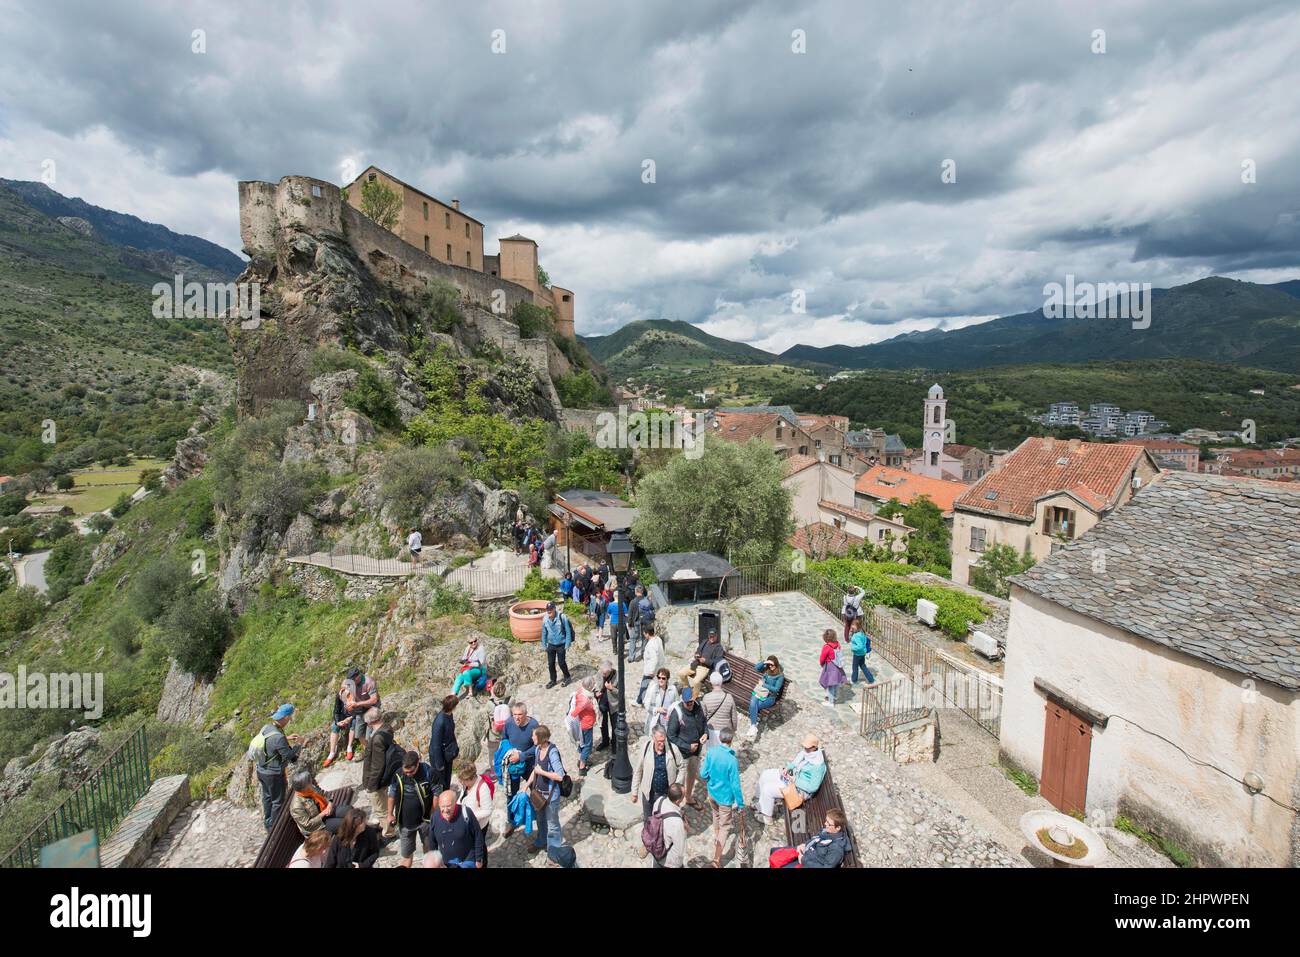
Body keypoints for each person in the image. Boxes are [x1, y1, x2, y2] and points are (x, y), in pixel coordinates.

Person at [698, 727, 745, 868]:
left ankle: (716, 837)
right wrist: (741, 804)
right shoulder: (732, 760)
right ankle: (717, 859)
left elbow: (702, 774)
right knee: (725, 827)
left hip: (712, 794)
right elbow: (736, 786)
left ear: (720, 738)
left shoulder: (711, 752)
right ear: (731, 740)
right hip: (725, 799)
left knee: (715, 815)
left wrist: (709, 779)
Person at [252, 703, 302, 831]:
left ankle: (268, 822)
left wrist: (287, 738)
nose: (289, 720)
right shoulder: (279, 737)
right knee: (277, 801)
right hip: (273, 774)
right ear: (285, 717)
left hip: (261, 770)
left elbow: (270, 741)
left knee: (267, 797)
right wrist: (298, 745)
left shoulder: (267, 727)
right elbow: (289, 756)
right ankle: (275, 829)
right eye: (289, 717)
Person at [755, 734, 827, 822]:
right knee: (765, 774)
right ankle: (759, 803)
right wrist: (787, 769)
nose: (804, 749)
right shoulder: (807, 753)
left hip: (800, 790)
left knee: (768, 789)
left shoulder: (818, 766)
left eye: (807, 747)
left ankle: (767, 817)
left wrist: (795, 780)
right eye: (804, 746)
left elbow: (813, 787)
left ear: (814, 747)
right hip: (793, 777)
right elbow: (794, 763)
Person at [525, 725, 568, 864]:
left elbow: (560, 775)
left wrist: (542, 772)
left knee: (553, 824)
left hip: (550, 796)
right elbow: (535, 770)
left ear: (541, 738)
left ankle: (554, 852)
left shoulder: (552, 752)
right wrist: (526, 785)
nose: (532, 738)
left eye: (534, 736)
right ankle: (541, 841)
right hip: (539, 794)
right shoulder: (538, 749)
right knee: (541, 820)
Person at [387, 750, 433, 867]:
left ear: (418, 763)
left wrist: (433, 814)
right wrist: (390, 814)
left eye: (411, 771)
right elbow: (391, 794)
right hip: (406, 823)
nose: (408, 774)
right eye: (406, 771)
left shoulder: (428, 772)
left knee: (429, 850)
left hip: (425, 821)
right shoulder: (398, 775)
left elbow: (437, 792)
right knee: (406, 855)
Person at [500, 702, 539, 836]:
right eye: (514, 715)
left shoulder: (533, 725)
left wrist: (521, 756)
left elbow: (537, 746)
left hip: (529, 764)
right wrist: (509, 752)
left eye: (520, 715)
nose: (516, 718)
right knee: (511, 793)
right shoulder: (509, 723)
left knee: (536, 789)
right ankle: (511, 821)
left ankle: (540, 815)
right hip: (513, 765)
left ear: (525, 714)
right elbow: (504, 739)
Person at [666, 687, 708, 809]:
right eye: (686, 702)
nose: (689, 704)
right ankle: (675, 805)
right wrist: (687, 746)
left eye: (691, 701)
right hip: (683, 753)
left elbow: (704, 723)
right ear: (682, 701)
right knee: (681, 778)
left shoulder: (699, 707)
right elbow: (671, 736)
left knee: (692, 775)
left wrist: (706, 734)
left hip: (696, 751)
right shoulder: (677, 713)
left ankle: (688, 798)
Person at [359, 708, 397, 838]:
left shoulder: (377, 739)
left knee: (381, 808)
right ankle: (388, 825)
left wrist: (371, 785)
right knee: (385, 802)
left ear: (370, 723)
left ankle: (388, 833)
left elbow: (377, 765)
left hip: (378, 781)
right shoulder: (386, 728)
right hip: (387, 776)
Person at [631, 726, 681, 824]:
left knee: (663, 820)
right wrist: (634, 792)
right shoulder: (646, 748)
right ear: (653, 738)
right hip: (648, 793)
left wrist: (677, 787)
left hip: (666, 794)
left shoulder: (673, 749)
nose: (662, 744)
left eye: (663, 740)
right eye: (659, 741)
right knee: (648, 820)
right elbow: (638, 770)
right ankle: (649, 837)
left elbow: (682, 767)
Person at [772, 808, 852, 868]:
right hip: (806, 852)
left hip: (808, 863)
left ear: (838, 828)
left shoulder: (836, 849)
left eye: (828, 823)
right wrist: (804, 844)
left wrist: (803, 860)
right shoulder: (827, 831)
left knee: (778, 862)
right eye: (826, 821)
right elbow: (815, 839)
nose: (825, 824)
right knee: (774, 852)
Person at [428, 788, 486, 868]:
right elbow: (432, 843)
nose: (445, 810)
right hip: (447, 863)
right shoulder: (435, 818)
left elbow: (478, 835)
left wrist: (479, 859)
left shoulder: (466, 813)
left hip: (468, 861)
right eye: (442, 806)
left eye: (448, 806)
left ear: (455, 803)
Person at [289, 769, 350, 836]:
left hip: (326, 812)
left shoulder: (310, 788)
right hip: (318, 827)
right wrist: (323, 813)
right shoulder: (296, 806)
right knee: (344, 824)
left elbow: (324, 794)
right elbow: (308, 825)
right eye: (309, 781)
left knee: (349, 810)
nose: (311, 781)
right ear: (303, 787)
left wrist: (329, 804)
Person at [453, 760, 498, 844]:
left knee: (479, 846)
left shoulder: (483, 788)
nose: (461, 783)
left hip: (479, 826)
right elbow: (462, 797)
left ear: (471, 778)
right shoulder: (467, 784)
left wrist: (469, 815)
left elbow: (488, 810)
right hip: (469, 823)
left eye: (463, 780)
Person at [340, 667, 379, 760]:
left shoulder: (369, 682)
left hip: (371, 708)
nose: (351, 682)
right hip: (359, 709)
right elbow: (346, 695)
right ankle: (368, 751)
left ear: (358, 676)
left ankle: (373, 754)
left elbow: (374, 699)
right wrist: (348, 703)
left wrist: (358, 703)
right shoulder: (350, 683)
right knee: (358, 734)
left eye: (353, 680)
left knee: (369, 735)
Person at [647, 783, 687, 868]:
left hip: (656, 851)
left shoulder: (659, 801)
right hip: (669, 862)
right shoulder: (677, 823)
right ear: (678, 801)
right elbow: (680, 850)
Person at [679, 628, 724, 700]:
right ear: (708, 636)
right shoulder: (705, 642)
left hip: (705, 668)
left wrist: (705, 661)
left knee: (695, 681)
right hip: (696, 664)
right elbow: (698, 650)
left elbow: (717, 662)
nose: (711, 638)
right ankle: (687, 689)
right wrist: (697, 655)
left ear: (716, 636)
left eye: (713, 636)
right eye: (710, 636)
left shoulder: (719, 647)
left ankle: (693, 698)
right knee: (681, 673)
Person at [746, 655, 785, 737]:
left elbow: (776, 689)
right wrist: (765, 662)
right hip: (760, 693)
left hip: (770, 698)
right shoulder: (767, 669)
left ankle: (753, 725)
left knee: (754, 705)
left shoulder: (780, 675)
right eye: (769, 665)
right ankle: (753, 726)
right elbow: (756, 668)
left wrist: (764, 685)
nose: (770, 666)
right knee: (753, 702)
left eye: (772, 665)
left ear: (776, 664)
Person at [428, 694, 460, 793]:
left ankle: (447, 794)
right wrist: (439, 764)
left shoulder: (449, 715)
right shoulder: (440, 721)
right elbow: (436, 745)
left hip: (447, 754)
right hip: (439, 757)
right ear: (453, 707)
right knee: (440, 782)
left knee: (447, 778)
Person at [701, 671, 738, 754]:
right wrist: (734, 729)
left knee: (712, 753)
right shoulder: (729, 697)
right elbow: (734, 717)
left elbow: (703, 716)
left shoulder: (706, 698)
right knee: (724, 753)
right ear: (722, 682)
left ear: (711, 682)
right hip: (725, 730)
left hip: (711, 730)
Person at [569, 676, 598, 776]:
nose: (595, 685)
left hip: (583, 723)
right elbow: (575, 713)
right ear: (589, 686)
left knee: (583, 743)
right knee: (588, 746)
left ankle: (583, 758)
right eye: (593, 684)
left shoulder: (581, 690)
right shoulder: (585, 701)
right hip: (586, 724)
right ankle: (582, 766)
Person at [540, 601, 573, 688]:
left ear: (554, 609)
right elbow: (544, 632)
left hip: (561, 644)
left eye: (551, 609)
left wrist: (567, 644)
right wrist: (544, 644)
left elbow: (568, 631)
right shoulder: (545, 619)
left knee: (561, 663)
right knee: (551, 663)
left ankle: (567, 677)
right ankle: (553, 680)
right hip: (551, 644)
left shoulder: (562, 617)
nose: (549, 611)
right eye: (547, 610)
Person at [322, 678, 353, 769]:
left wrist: (350, 718)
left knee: (353, 724)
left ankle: (349, 747)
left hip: (353, 716)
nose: (345, 691)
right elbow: (336, 711)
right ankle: (332, 752)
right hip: (343, 716)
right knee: (334, 727)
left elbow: (359, 711)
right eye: (344, 688)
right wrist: (338, 721)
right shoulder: (339, 695)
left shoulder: (355, 696)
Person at [642, 668, 678, 735]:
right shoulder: (652, 688)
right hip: (655, 720)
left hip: (668, 720)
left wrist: (672, 713)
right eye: (659, 677)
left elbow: (677, 704)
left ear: (667, 679)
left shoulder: (673, 689)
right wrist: (657, 709)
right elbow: (646, 704)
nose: (661, 680)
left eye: (663, 678)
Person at [818, 628, 849, 707]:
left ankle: (831, 702)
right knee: (835, 684)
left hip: (830, 668)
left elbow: (822, 658)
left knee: (830, 684)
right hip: (838, 667)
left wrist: (822, 664)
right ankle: (834, 697)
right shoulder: (837, 644)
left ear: (825, 638)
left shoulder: (827, 647)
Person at [636, 624, 664, 706]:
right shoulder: (658, 639)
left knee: (644, 684)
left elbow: (654, 658)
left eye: (644, 633)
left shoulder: (651, 645)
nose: (644, 635)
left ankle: (639, 701)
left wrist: (651, 671)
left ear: (647, 633)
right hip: (659, 666)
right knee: (658, 684)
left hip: (652, 669)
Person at [595, 659, 618, 751]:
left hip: (614, 704)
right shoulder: (599, 673)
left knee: (615, 725)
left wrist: (612, 688)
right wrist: (596, 692)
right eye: (602, 673)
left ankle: (614, 744)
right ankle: (605, 741)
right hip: (602, 703)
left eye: (605, 674)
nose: (603, 675)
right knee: (603, 724)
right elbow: (596, 687)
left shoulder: (617, 676)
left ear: (610, 671)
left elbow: (621, 693)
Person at [849, 616, 875, 684]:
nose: (852, 626)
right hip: (862, 653)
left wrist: (852, 648)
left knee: (855, 667)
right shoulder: (862, 633)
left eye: (853, 625)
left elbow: (859, 646)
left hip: (857, 654)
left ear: (858, 626)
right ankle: (871, 679)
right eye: (852, 625)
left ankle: (854, 680)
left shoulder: (856, 636)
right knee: (863, 666)